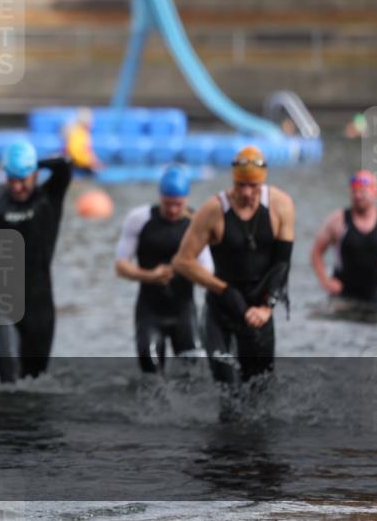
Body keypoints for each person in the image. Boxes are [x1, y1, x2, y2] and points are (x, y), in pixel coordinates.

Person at [173, 146, 295, 385]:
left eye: (253, 186)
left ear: (264, 181)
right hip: (221, 311)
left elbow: (282, 263)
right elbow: (182, 261)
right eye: (241, 185)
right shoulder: (213, 210)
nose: (247, 192)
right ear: (233, 181)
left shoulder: (281, 205)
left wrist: (267, 307)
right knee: (227, 387)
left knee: (259, 391)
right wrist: (224, 290)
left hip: (259, 311)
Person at [0, 141, 79, 383]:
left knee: (34, 382)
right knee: (10, 383)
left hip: (39, 306)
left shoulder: (50, 196)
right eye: (13, 179)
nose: (18, 186)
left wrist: (33, 163)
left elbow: (65, 164)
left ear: (36, 174)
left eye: (24, 178)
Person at [115, 165, 212, 374]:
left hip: (184, 312)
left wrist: (185, 268)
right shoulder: (139, 219)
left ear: (186, 199)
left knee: (194, 372)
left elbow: (208, 271)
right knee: (150, 369)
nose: (173, 210)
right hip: (150, 312)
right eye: (168, 204)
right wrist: (149, 276)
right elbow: (121, 266)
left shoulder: (196, 223)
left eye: (178, 204)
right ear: (160, 196)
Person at [311, 170, 377, 318]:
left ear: (375, 192)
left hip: (374, 296)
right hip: (341, 297)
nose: (358, 196)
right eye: (354, 192)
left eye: (363, 192)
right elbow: (316, 252)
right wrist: (325, 281)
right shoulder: (338, 220)